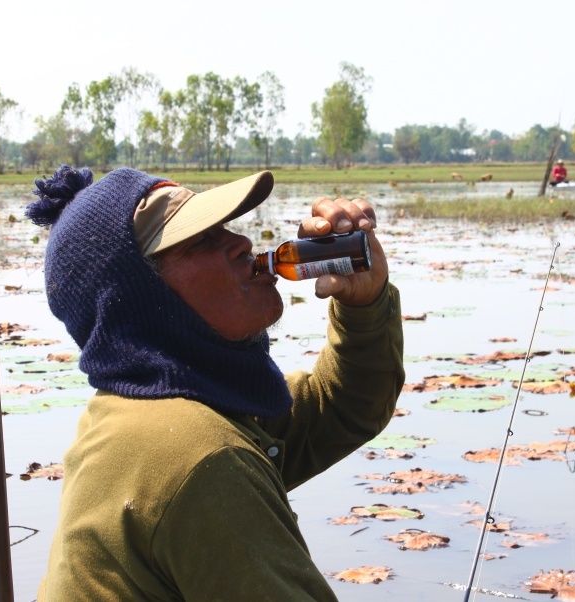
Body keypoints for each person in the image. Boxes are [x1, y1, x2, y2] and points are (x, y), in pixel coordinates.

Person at [26, 165, 405, 601]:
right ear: (142, 300)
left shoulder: (143, 411)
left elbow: (339, 406)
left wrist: (366, 303)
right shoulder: (197, 454)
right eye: (202, 241)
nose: (242, 243)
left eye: (224, 228)